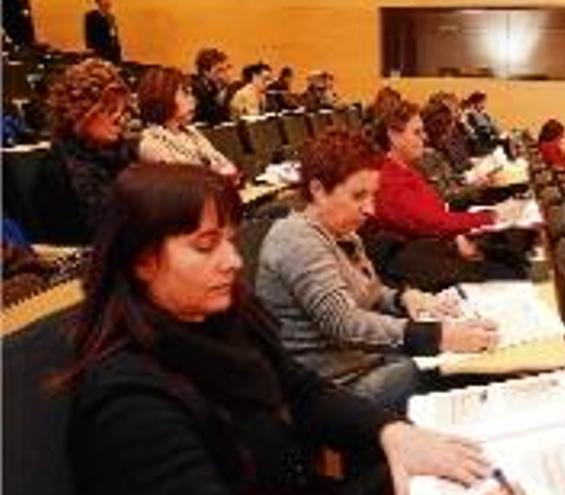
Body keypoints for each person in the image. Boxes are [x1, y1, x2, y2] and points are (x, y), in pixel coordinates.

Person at [58, 163, 495, 495]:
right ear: (141, 261)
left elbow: (301, 389)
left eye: (229, 239)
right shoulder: (130, 406)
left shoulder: (221, 320)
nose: (233, 260)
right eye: (206, 245)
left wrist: (392, 433)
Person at [256, 130, 498, 411]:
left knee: (470, 358)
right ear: (318, 190)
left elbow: (367, 291)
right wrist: (438, 335)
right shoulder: (297, 240)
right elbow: (343, 324)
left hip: (368, 360)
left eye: (372, 195)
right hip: (336, 388)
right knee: (471, 371)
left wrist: (403, 299)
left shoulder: (341, 230)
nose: (370, 208)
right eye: (359, 195)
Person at [366, 100, 531, 291]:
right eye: (417, 132)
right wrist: (491, 216)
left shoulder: (407, 168)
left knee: (512, 259)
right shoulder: (389, 179)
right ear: (394, 136)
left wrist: (460, 234)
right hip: (420, 262)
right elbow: (434, 222)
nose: (425, 138)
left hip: (435, 249)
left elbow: (437, 211)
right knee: (509, 271)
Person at [47, 57, 136, 232]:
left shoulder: (125, 154)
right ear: (79, 113)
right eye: (108, 110)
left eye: (123, 110)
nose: (120, 119)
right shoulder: (56, 168)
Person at [137, 66, 239, 180]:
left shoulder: (191, 132)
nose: (193, 100)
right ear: (163, 96)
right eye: (186, 93)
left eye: (191, 94)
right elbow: (185, 187)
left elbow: (226, 165)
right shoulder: (152, 145)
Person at [191, 48, 233, 125]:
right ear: (206, 72)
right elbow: (213, 120)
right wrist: (221, 97)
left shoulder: (218, 88)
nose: (227, 73)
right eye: (220, 70)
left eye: (228, 67)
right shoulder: (196, 90)